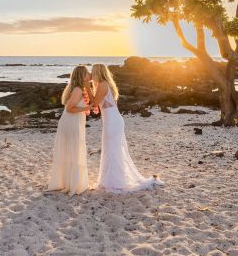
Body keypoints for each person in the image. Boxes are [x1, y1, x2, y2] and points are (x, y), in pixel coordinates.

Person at [90, 63, 162, 193]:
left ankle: (115, 182)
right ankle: (111, 180)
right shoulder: (106, 84)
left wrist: (86, 87)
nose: (90, 74)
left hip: (112, 120)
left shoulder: (103, 84)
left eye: (92, 72)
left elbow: (94, 102)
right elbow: (99, 105)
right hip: (112, 119)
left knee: (112, 150)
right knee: (111, 149)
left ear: (97, 72)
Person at [47, 65, 91, 195]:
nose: (89, 75)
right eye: (87, 73)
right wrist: (86, 108)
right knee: (74, 150)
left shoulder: (77, 88)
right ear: (82, 75)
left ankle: (70, 181)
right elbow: (70, 109)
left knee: (72, 151)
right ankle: (73, 183)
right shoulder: (77, 90)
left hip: (71, 121)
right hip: (72, 122)